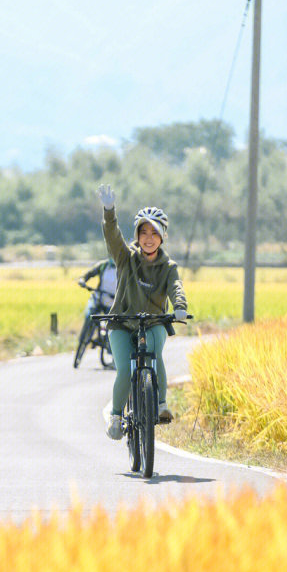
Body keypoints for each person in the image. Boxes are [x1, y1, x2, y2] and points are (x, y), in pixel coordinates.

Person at [97, 184, 188, 440]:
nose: (148, 237)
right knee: (125, 370)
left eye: (154, 232)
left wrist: (180, 307)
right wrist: (108, 211)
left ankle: (160, 405)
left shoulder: (169, 267)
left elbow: (176, 287)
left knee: (155, 355)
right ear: (136, 235)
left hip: (154, 322)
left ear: (163, 236)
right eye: (143, 231)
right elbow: (112, 236)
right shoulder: (126, 258)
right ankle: (116, 415)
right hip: (122, 323)